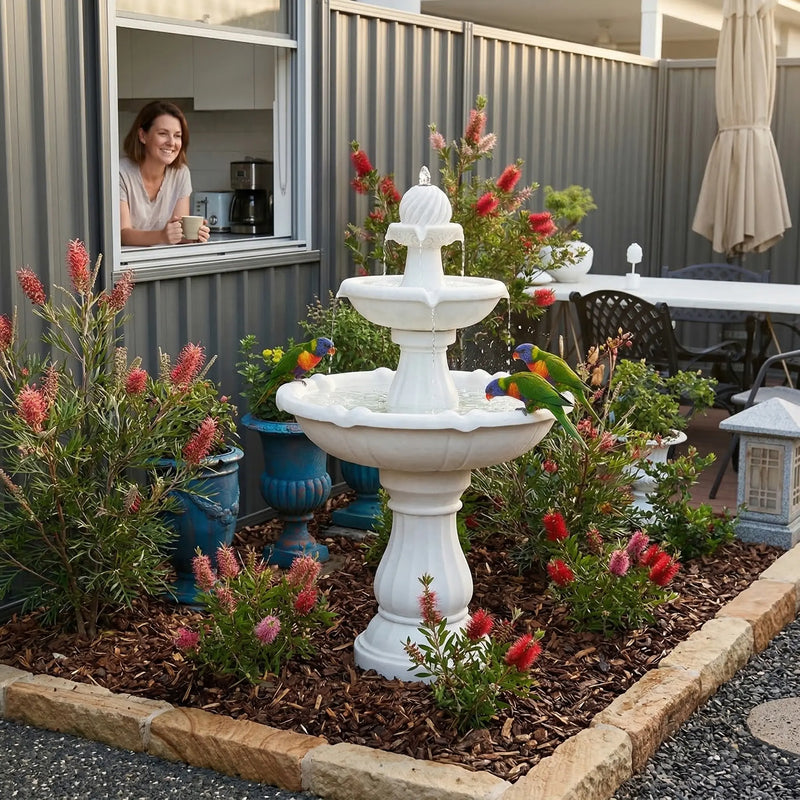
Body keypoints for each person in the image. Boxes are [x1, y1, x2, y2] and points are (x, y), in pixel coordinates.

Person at [119, 100, 210, 246]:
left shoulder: (181, 173)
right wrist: (161, 236)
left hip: (163, 263)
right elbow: (122, 234)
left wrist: (193, 236)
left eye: (177, 135)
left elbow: (177, 234)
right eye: (163, 134)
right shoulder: (120, 173)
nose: (171, 142)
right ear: (142, 135)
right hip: (126, 264)